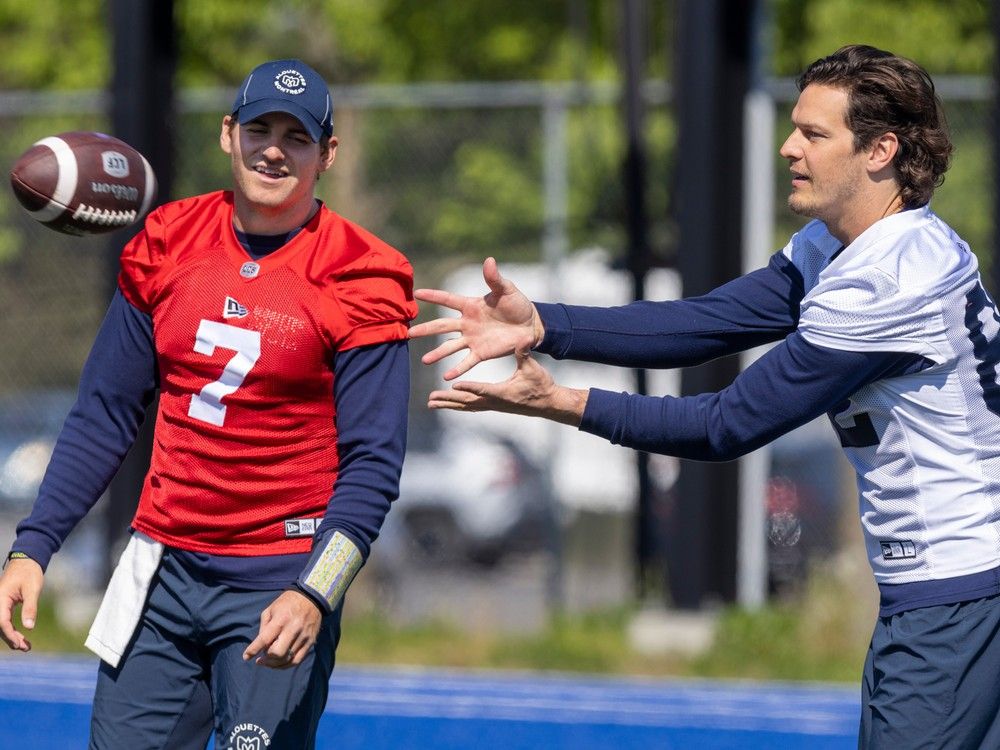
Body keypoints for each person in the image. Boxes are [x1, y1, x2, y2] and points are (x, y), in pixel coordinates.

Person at [409, 45, 1000, 748]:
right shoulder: (864, 246)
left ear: (880, 150)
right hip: (963, 585)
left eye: (814, 134)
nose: (788, 148)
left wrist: (556, 403)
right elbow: (710, 321)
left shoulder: (886, 283)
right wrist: (547, 323)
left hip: (957, 591)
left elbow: (726, 424)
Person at [0, 58, 417, 748]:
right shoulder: (168, 242)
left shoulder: (361, 273)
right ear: (229, 134)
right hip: (161, 571)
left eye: (297, 136)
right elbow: (105, 411)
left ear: (328, 154)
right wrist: (34, 546)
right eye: (260, 129)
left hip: (278, 579)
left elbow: (374, 465)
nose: (275, 149)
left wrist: (318, 590)